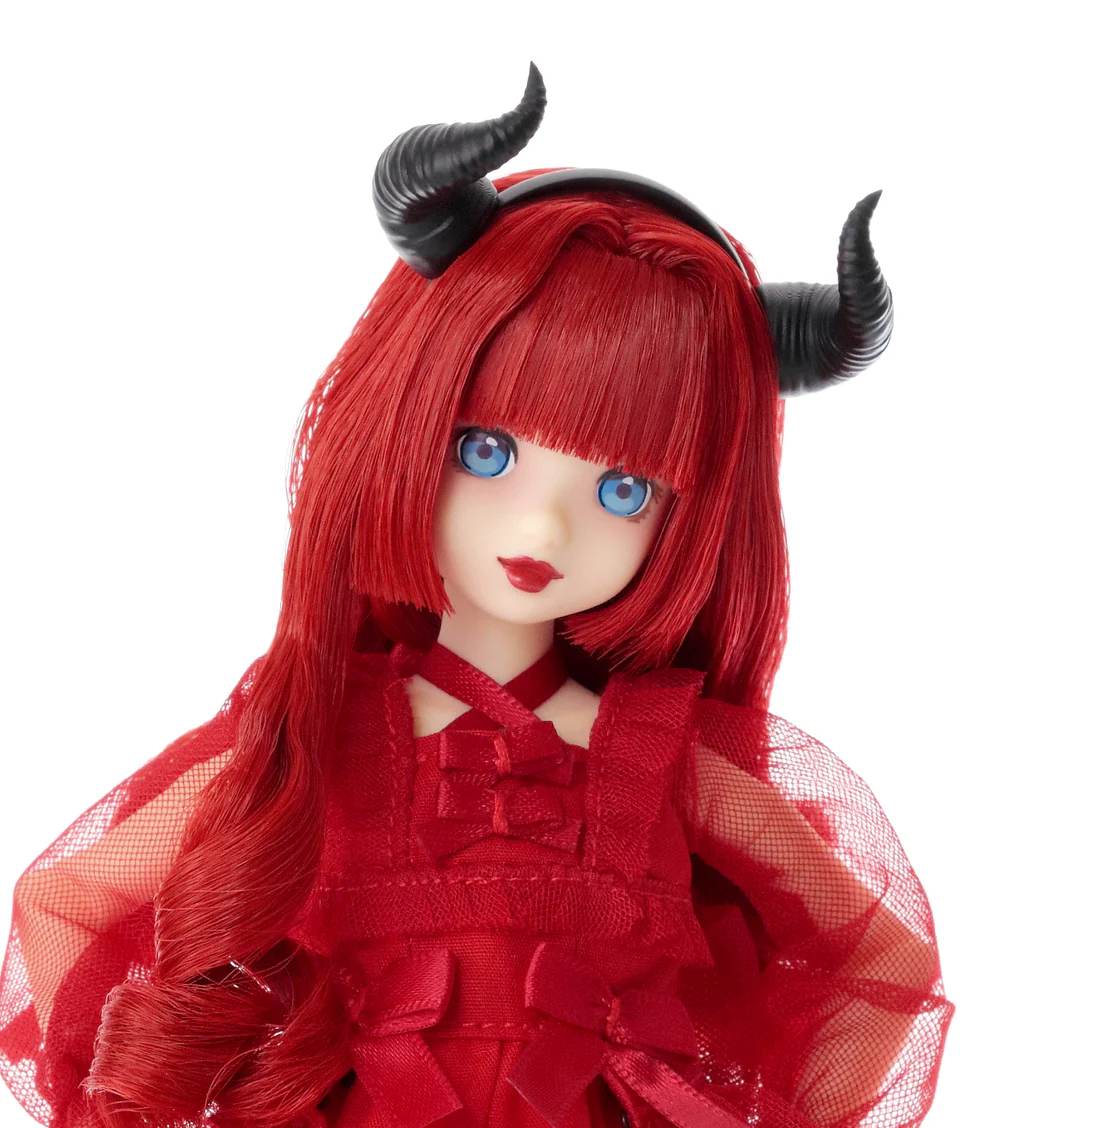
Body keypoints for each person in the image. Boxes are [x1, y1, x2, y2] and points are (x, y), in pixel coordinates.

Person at [0, 65, 953, 1128]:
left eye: (623, 491)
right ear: (400, 428)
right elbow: (68, 901)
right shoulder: (319, 740)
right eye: (486, 452)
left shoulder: (657, 758)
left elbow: (879, 958)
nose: (543, 529)